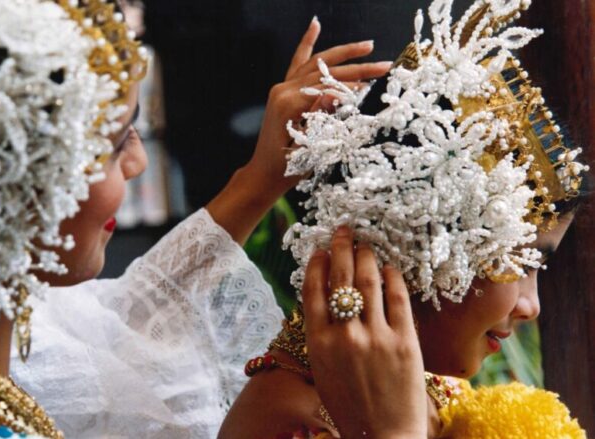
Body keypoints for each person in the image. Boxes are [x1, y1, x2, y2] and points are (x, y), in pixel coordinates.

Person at [0, 1, 391, 438]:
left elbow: (119, 325)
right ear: (27, 181)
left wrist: (262, 178)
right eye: (120, 139)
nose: (140, 160)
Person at [219, 0, 590, 437]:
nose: (532, 307)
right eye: (523, 263)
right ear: (422, 239)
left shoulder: (429, 384)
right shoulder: (295, 417)